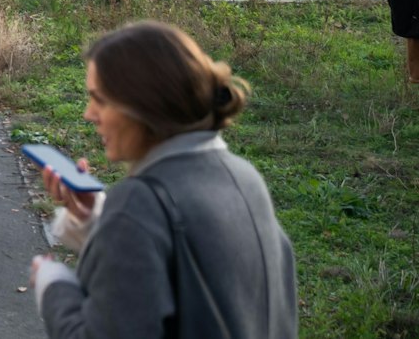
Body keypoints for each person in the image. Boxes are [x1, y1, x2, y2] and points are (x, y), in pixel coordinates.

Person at [32, 21, 296, 338]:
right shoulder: (245, 177)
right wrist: (96, 220)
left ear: (142, 105)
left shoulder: (139, 204)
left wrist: (54, 285)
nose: (89, 114)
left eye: (99, 99)